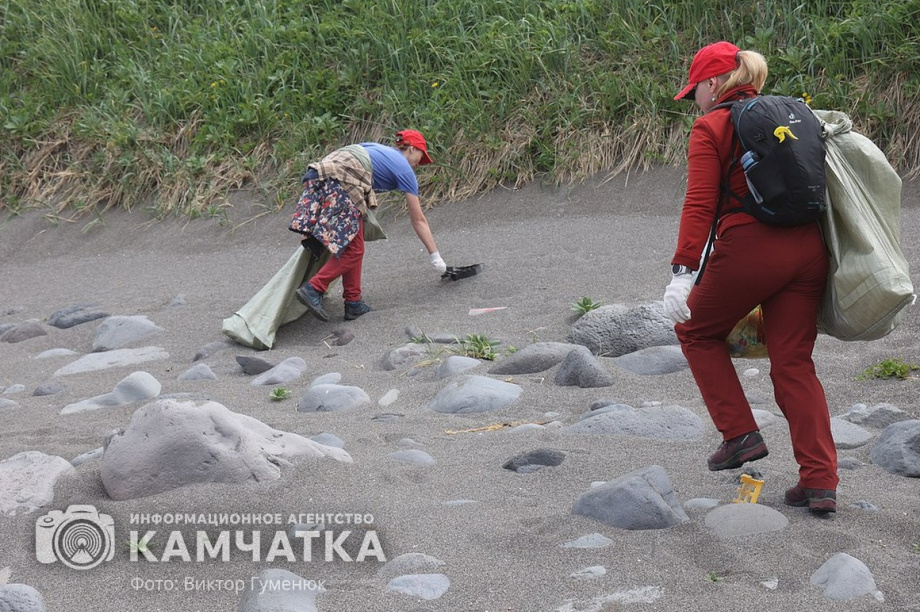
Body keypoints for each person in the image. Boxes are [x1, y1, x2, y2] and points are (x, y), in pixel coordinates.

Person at [665, 41, 838, 513]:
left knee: (695, 331)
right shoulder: (794, 115)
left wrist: (682, 273)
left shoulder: (712, 125)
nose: (693, 101)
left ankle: (740, 435)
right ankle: (820, 482)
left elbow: (699, 204)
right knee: (794, 363)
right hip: (809, 249)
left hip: (752, 249)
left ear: (713, 83)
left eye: (694, 91)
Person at [289, 129, 447, 321]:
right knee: (354, 250)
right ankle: (313, 289)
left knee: (353, 244)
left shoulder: (376, 149)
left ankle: (353, 302)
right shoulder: (404, 169)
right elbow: (418, 220)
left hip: (319, 176)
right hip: (339, 181)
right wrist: (435, 256)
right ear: (412, 149)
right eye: (420, 158)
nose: (417, 165)